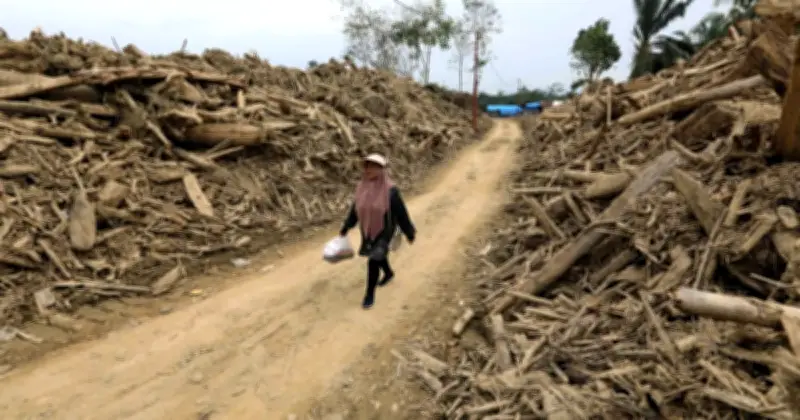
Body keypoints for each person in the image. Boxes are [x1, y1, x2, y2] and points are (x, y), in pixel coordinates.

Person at [339, 153, 416, 309]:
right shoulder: (361, 188)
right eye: (367, 166)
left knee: (373, 259)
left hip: (385, 230)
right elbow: (355, 210)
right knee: (378, 255)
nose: (369, 169)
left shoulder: (391, 191)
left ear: (382, 169)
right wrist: (346, 227)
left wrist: (409, 232)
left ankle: (369, 294)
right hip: (367, 229)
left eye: (374, 166)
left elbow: (401, 213)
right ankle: (388, 273)